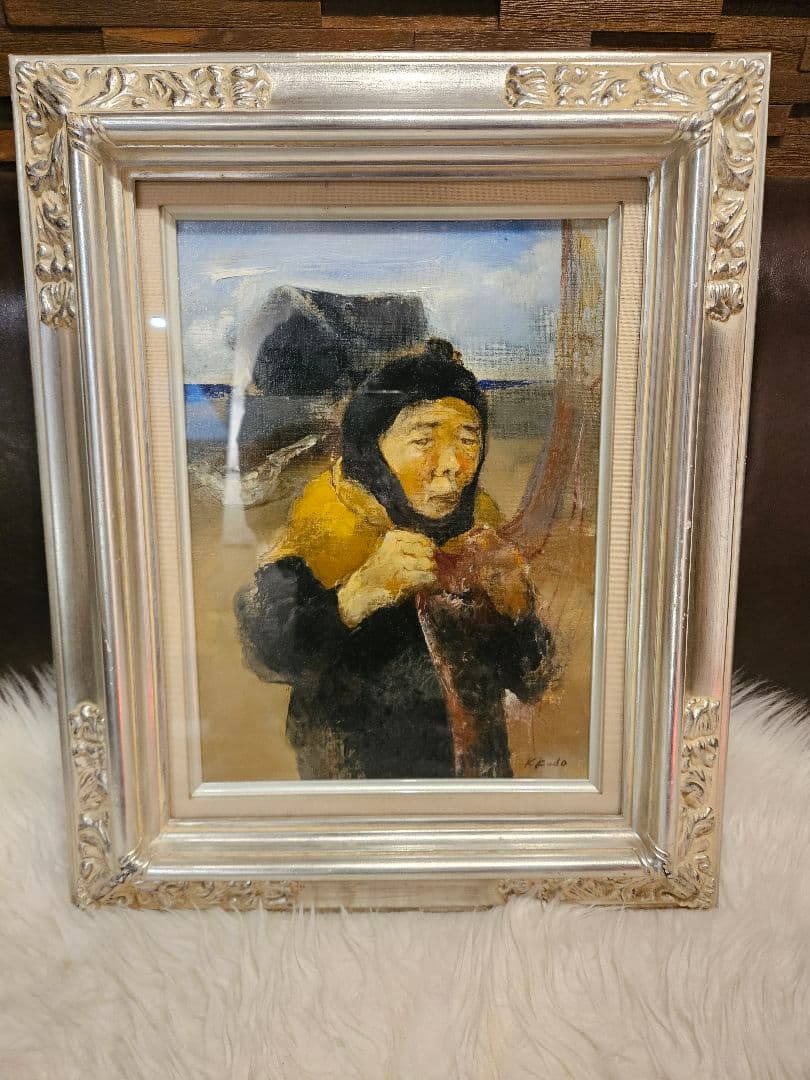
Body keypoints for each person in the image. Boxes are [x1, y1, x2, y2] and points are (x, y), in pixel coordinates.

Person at [236, 339, 554, 779]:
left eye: (468, 439)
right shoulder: (325, 525)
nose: (451, 464)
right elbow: (270, 654)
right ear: (373, 450)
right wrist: (358, 594)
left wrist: (518, 613)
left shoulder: (481, 532)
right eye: (423, 439)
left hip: (475, 783)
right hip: (355, 784)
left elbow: (531, 681)